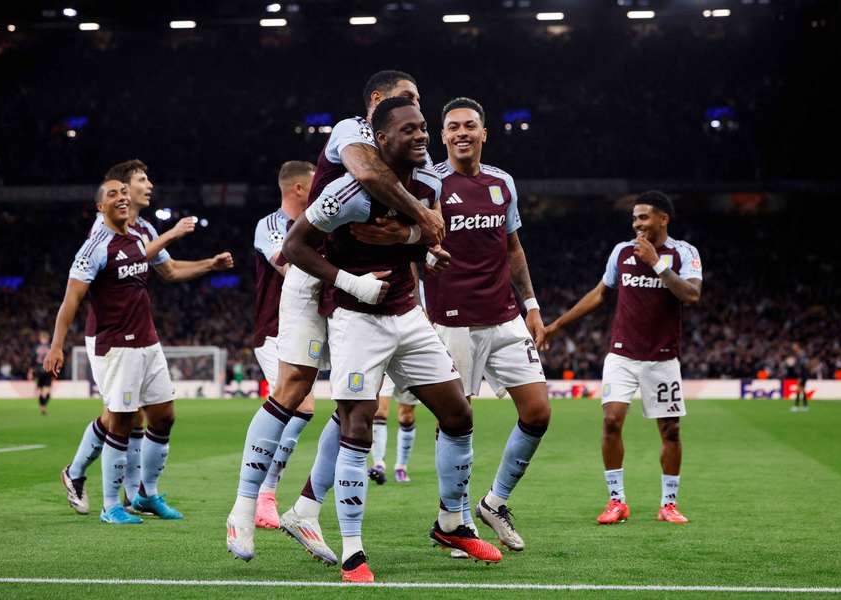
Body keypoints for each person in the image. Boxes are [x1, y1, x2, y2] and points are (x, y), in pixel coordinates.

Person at [226, 69, 443, 564]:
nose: (412, 112)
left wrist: (420, 237)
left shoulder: (416, 154)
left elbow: (421, 205)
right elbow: (369, 174)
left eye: (418, 103)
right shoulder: (351, 130)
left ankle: (305, 509)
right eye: (404, 99)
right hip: (314, 274)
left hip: (369, 292)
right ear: (377, 101)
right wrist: (423, 220)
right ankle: (242, 507)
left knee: (354, 407)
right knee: (293, 387)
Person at [282, 97, 502, 582]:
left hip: (406, 314)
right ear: (382, 141)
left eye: (424, 128)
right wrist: (351, 281)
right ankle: (353, 551)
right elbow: (292, 247)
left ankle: (451, 521)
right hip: (357, 318)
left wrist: (424, 251)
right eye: (409, 131)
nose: (422, 136)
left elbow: (430, 239)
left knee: (458, 413)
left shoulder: (429, 182)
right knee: (356, 425)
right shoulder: (347, 192)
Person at [354, 97, 548, 552]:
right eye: (453, 127)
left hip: (505, 317)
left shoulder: (503, 183)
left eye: (470, 126)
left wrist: (532, 304)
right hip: (451, 320)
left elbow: (513, 247)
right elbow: (397, 238)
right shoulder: (427, 182)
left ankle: (494, 501)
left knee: (538, 412)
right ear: (442, 136)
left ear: (484, 133)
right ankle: (452, 517)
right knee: (455, 420)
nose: (462, 133)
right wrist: (420, 263)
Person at [59, 160, 232, 518]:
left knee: (151, 415)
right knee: (121, 416)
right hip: (109, 334)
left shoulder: (144, 228)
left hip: (143, 334)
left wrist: (208, 265)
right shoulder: (103, 233)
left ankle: (138, 492)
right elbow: (108, 270)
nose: (148, 186)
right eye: (140, 180)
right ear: (119, 191)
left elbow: (166, 270)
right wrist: (171, 235)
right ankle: (88, 481)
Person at [540, 190, 703, 525]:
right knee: (612, 421)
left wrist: (656, 263)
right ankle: (617, 501)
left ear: (663, 219)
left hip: (662, 358)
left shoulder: (683, 253)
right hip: (622, 355)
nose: (636, 224)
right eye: (634, 218)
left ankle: (668, 504)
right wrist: (557, 325)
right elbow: (600, 294)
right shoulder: (621, 252)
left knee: (670, 431)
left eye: (643, 217)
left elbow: (691, 294)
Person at [243, 160, 317, 530]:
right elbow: (286, 266)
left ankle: (263, 494)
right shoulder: (271, 226)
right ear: (298, 189)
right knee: (300, 404)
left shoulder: (317, 225)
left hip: (305, 330)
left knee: (303, 409)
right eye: (315, 183)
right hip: (274, 330)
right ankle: (262, 496)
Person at [369, 376, 420, 485]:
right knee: (379, 412)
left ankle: (401, 467)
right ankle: (378, 465)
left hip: (406, 366)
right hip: (385, 364)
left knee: (407, 416)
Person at [29, 332, 53, 415]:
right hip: (47, 370)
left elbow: (32, 360)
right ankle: (43, 406)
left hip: (38, 370)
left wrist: (30, 371)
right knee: (47, 391)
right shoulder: (50, 347)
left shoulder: (36, 347)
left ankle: (42, 406)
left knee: (41, 390)